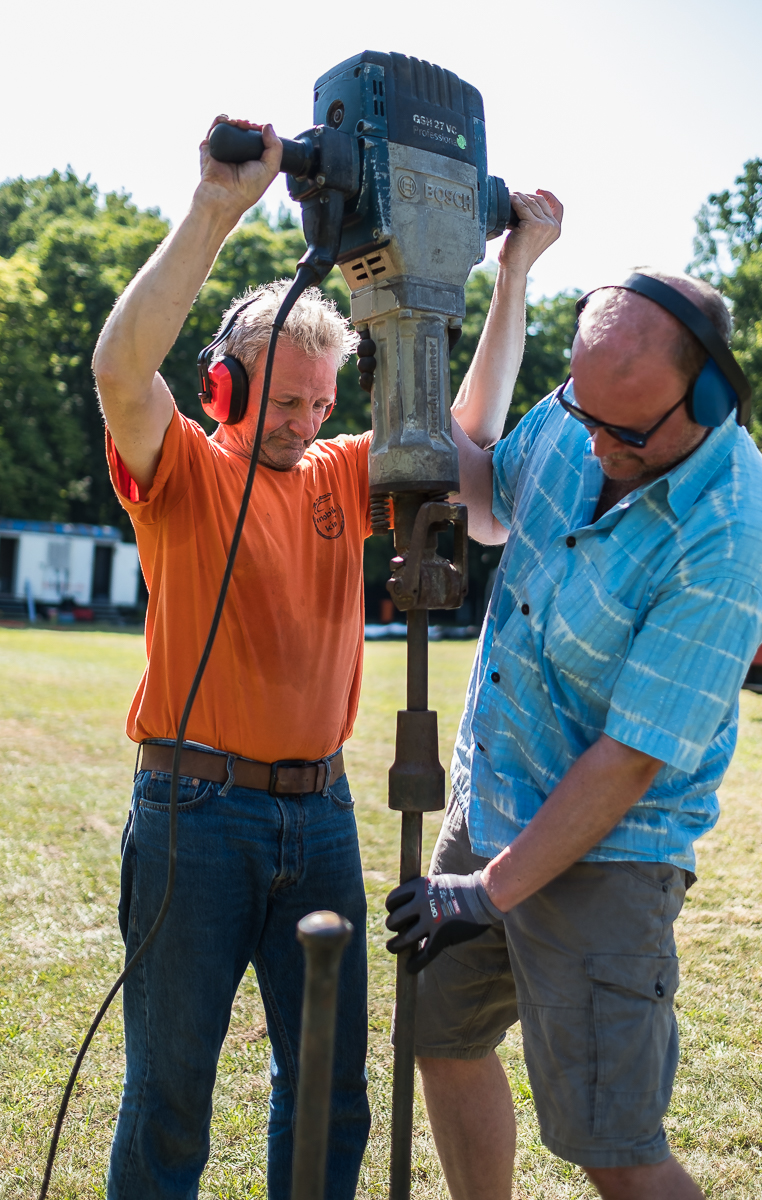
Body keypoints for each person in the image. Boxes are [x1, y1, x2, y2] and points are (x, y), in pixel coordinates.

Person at [92, 113, 562, 1200]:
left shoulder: (336, 474)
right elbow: (122, 368)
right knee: (170, 1096)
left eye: (317, 402)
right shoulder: (181, 471)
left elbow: (459, 426)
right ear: (223, 390)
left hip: (323, 816)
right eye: (280, 401)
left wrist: (510, 275)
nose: (301, 422)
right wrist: (218, 206)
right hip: (192, 816)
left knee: (331, 1090)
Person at [386, 267, 762, 1199]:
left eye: (630, 431)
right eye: (586, 412)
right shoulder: (583, 422)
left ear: (712, 394)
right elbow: (487, 499)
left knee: (612, 1142)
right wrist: (438, 354)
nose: (598, 445)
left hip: (609, 850)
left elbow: (633, 754)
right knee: (439, 1035)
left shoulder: (734, 531)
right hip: (490, 798)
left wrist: (486, 891)